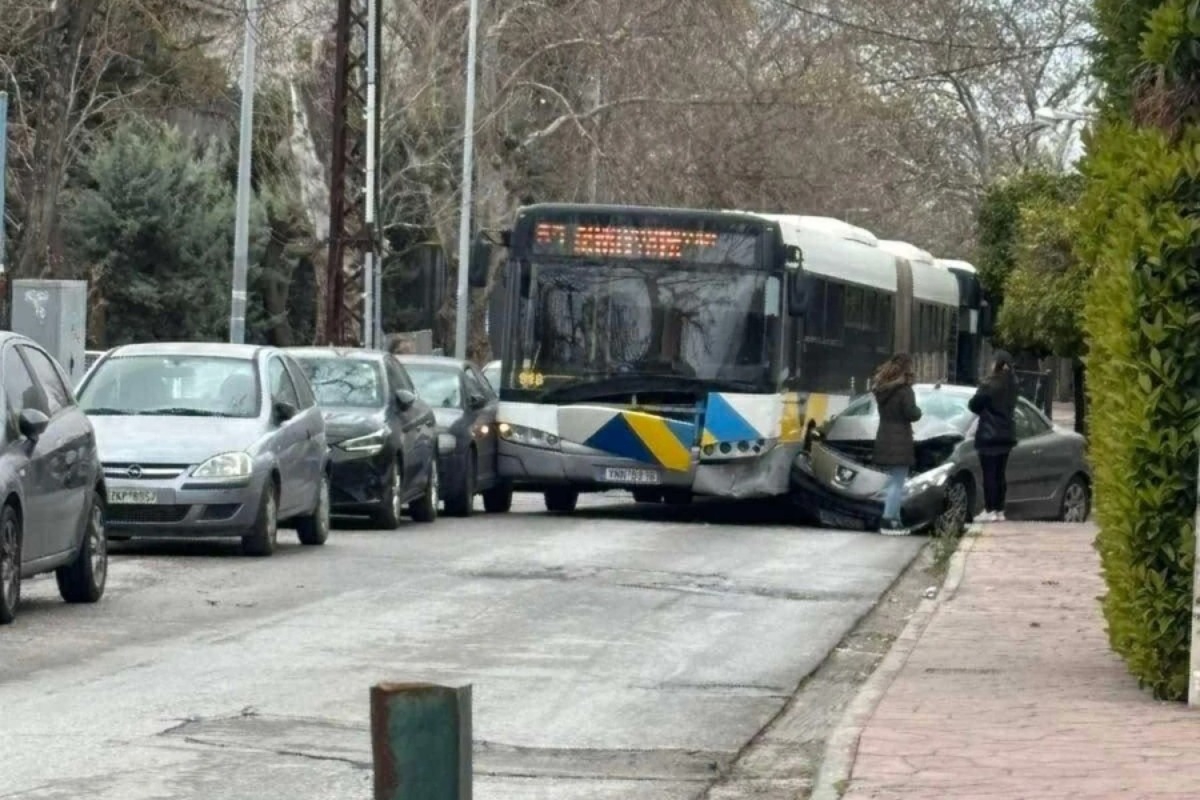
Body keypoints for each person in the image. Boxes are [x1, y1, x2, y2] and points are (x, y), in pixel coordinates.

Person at [871, 353, 922, 535]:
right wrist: (919, 411)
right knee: (898, 482)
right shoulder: (904, 390)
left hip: (884, 436)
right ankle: (888, 521)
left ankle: (896, 520)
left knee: (892, 481)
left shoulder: (881, 390)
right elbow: (912, 413)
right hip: (900, 439)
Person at [968, 350, 1018, 522]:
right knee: (1000, 473)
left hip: (989, 434)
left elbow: (974, 405)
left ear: (996, 364)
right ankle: (999, 509)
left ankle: (989, 509)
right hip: (1006, 434)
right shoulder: (1012, 384)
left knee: (989, 473)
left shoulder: (989, 385)